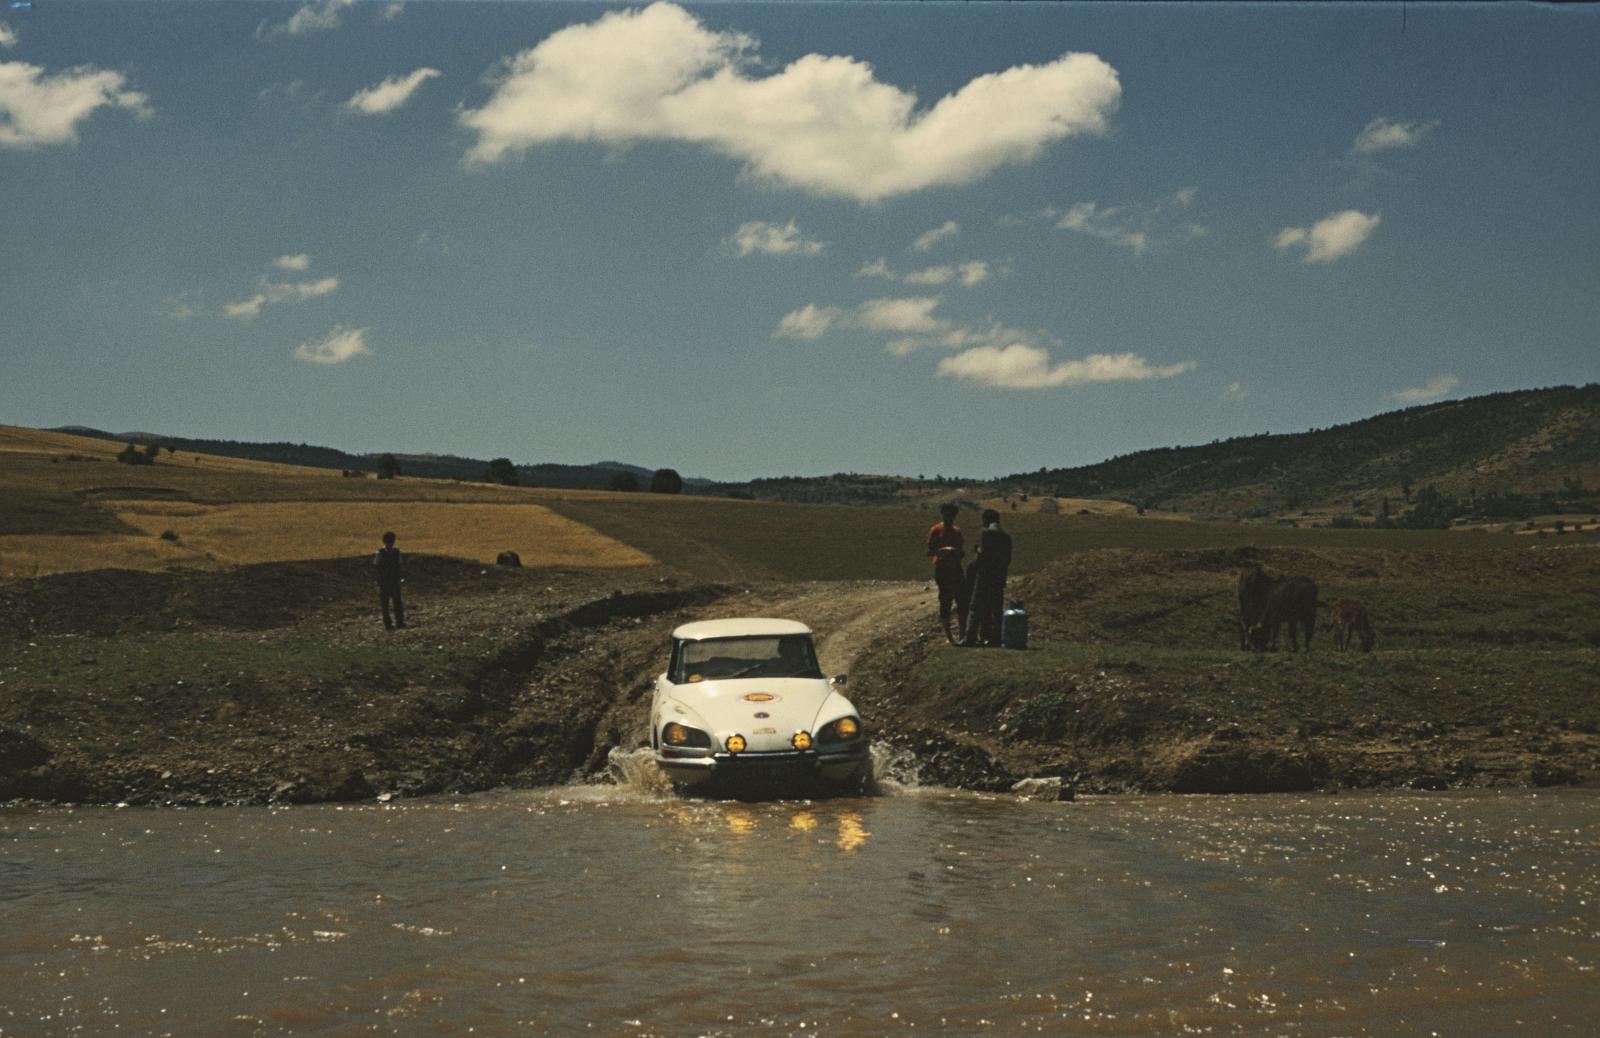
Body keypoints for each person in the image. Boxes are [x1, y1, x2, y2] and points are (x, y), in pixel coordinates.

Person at [961, 509, 1012, 647]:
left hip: (984, 575)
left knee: (975, 606)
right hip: (999, 577)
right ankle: (995, 638)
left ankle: (969, 637)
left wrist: (977, 551)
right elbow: (1008, 559)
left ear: (985, 519)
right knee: (996, 608)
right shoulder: (1007, 536)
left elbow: (982, 555)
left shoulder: (986, 533)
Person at [925, 503, 966, 641]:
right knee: (945, 602)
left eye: (951, 515)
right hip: (943, 569)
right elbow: (930, 551)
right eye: (946, 514)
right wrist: (943, 551)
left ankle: (962, 634)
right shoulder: (936, 530)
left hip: (956, 568)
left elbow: (961, 550)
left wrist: (957, 553)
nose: (948, 517)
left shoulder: (957, 531)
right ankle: (949, 636)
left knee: (962, 601)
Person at [374, 530, 406, 630]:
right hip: (385, 582)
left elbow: (400, 566)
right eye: (389, 541)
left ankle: (399, 622)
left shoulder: (397, 552)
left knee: (397, 603)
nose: (390, 543)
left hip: (394, 581)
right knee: (385, 604)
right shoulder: (379, 553)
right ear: (384, 541)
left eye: (392, 540)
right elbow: (376, 567)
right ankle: (388, 624)